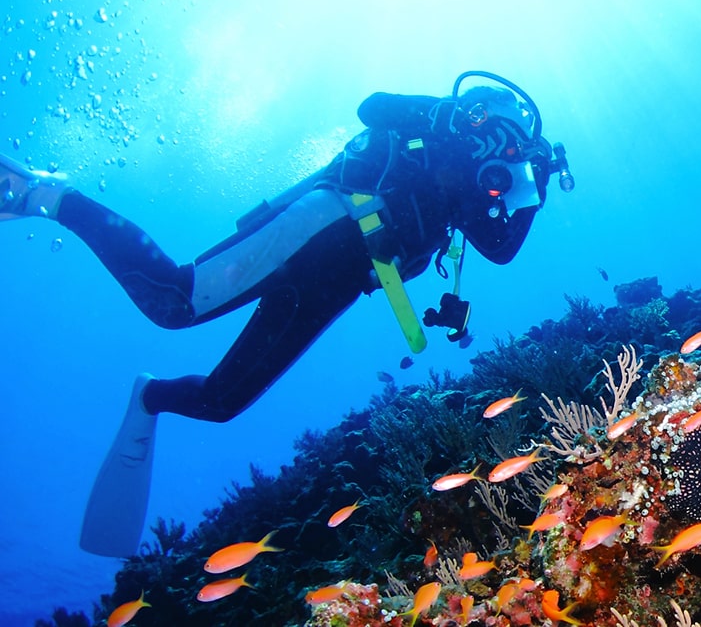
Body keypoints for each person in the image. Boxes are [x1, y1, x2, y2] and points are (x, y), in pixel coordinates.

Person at [0, 71, 574, 556]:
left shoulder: (477, 194)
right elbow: (370, 107)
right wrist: (446, 112)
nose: (498, 158)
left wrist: (535, 187)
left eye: (513, 152)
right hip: (322, 223)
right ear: (478, 114)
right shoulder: (437, 127)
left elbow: (499, 252)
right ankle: (46, 195)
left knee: (221, 403)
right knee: (175, 302)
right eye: (497, 135)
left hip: (340, 284)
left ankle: (151, 397)